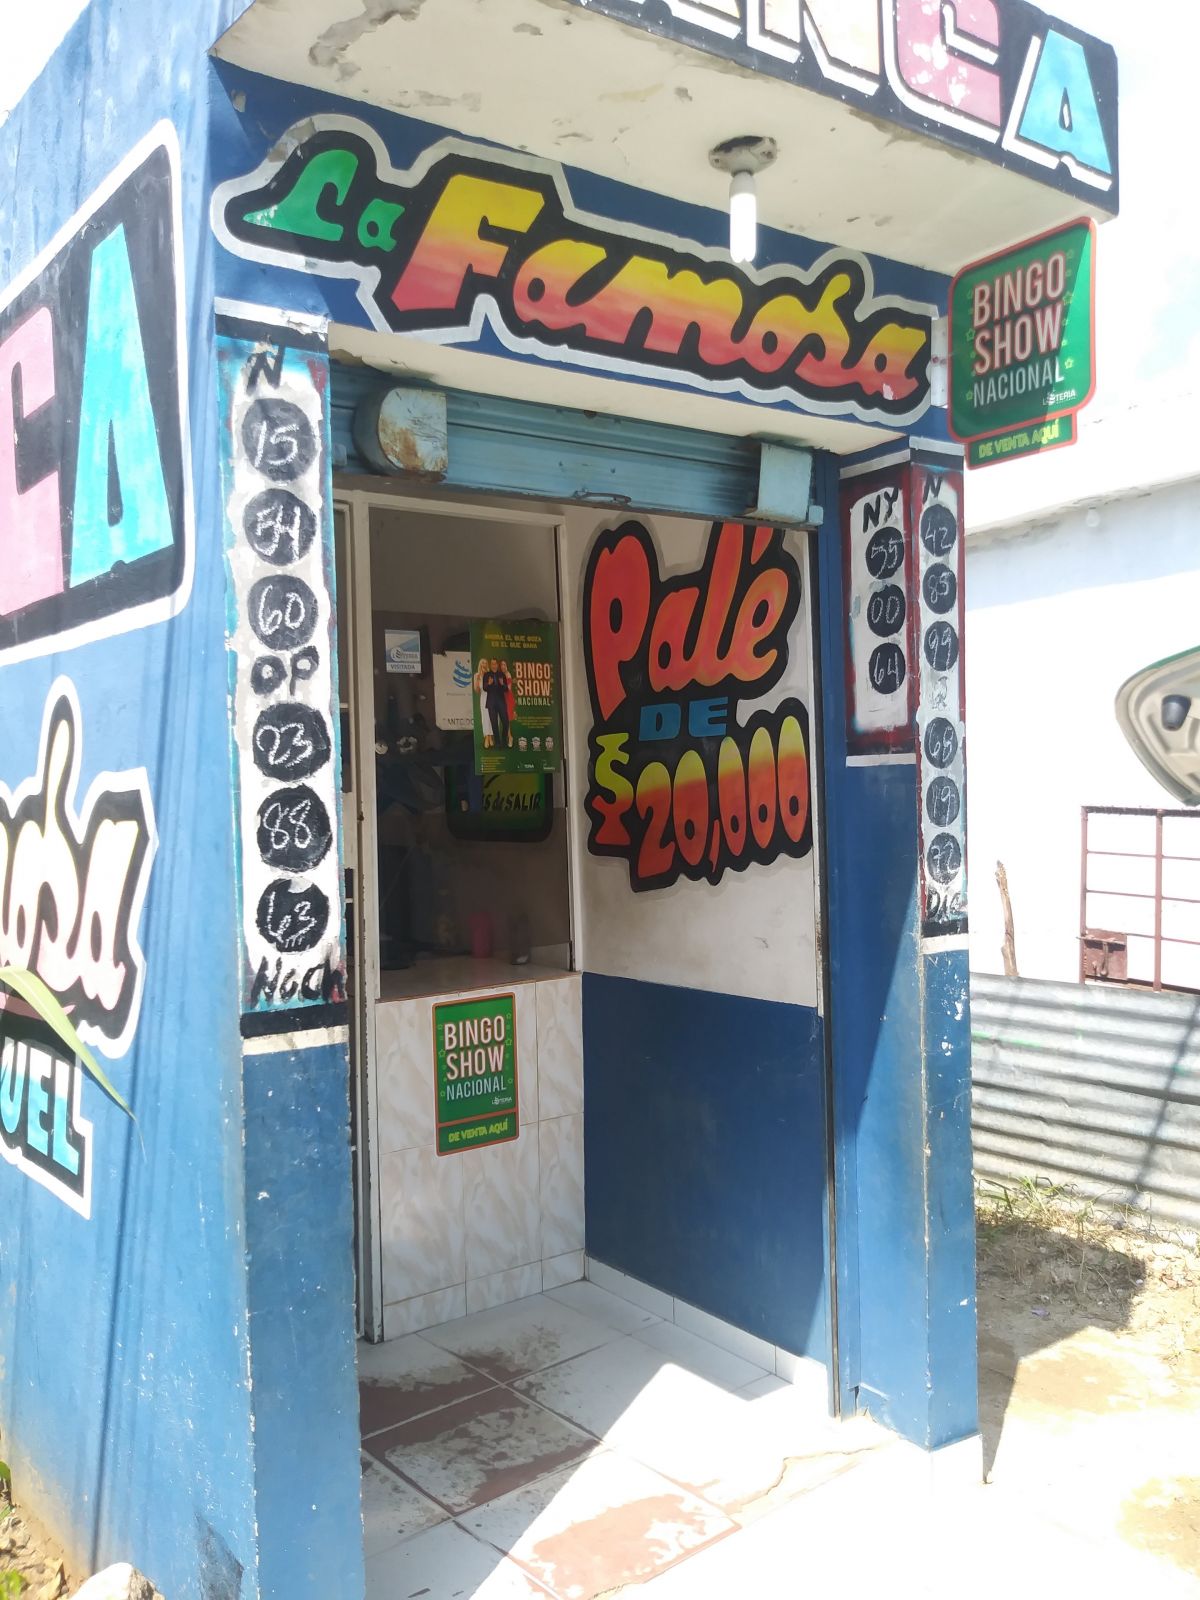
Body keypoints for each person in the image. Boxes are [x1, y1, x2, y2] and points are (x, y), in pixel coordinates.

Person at [487, 659, 511, 751]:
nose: (494, 665)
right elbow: (485, 688)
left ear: (497, 665)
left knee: (506, 722)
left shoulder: (502, 675)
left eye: (495, 664)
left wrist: (502, 684)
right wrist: (489, 684)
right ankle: (497, 742)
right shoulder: (487, 675)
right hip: (491, 703)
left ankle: (504, 740)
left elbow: (506, 689)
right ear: (490, 665)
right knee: (494, 724)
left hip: (501, 702)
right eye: (492, 664)